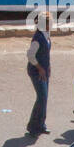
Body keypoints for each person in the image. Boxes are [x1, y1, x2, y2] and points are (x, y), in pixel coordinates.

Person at [25, 9, 52, 137]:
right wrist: (40, 68)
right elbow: (30, 55)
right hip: (36, 71)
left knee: (44, 98)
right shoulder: (38, 38)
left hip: (45, 70)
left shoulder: (46, 34)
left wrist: (48, 66)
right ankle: (33, 127)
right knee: (41, 98)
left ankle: (41, 124)